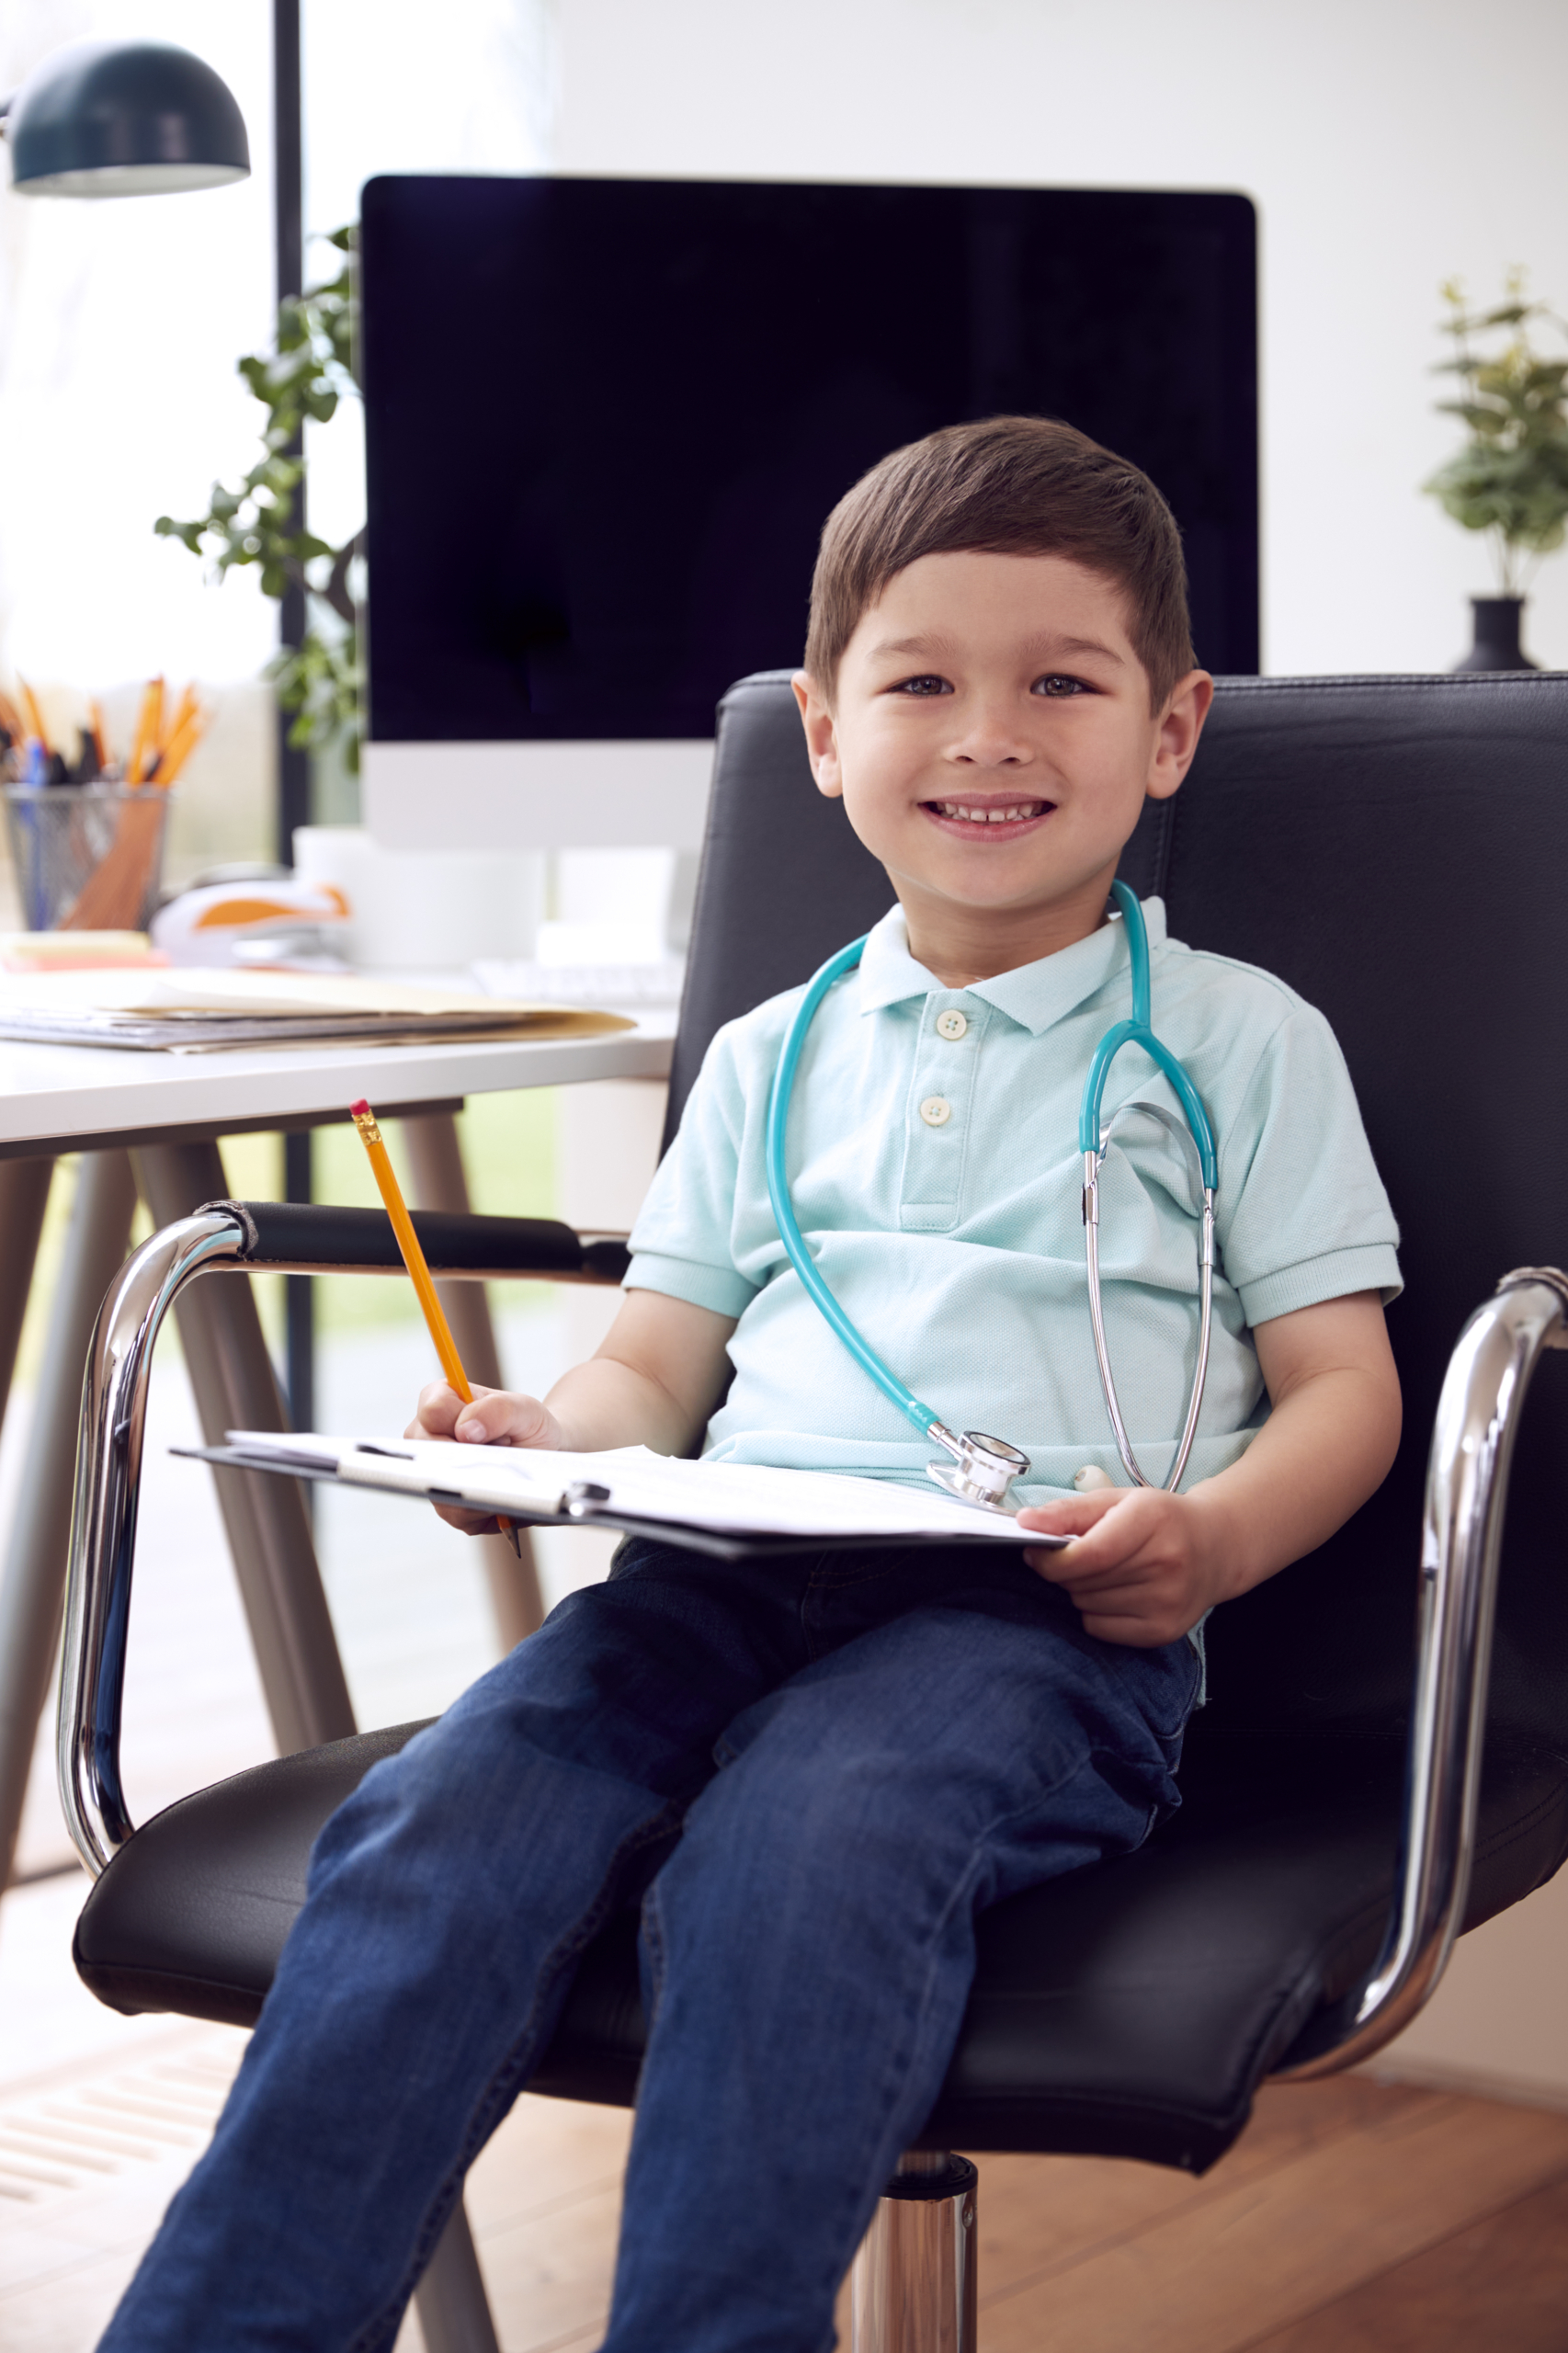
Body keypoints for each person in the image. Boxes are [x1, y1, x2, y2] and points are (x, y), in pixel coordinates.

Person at [100, 416, 1402, 2353]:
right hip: (706, 1588)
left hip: (1029, 1625)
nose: (989, 733)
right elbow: (650, 1362)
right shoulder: (766, 1056)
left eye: (1062, 681)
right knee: (441, 1826)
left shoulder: (1236, 1039)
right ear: (821, 729)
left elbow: (1347, 1385)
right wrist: (545, 1439)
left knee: (809, 1846)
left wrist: (1203, 1540)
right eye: (921, 683)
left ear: (1170, 728)